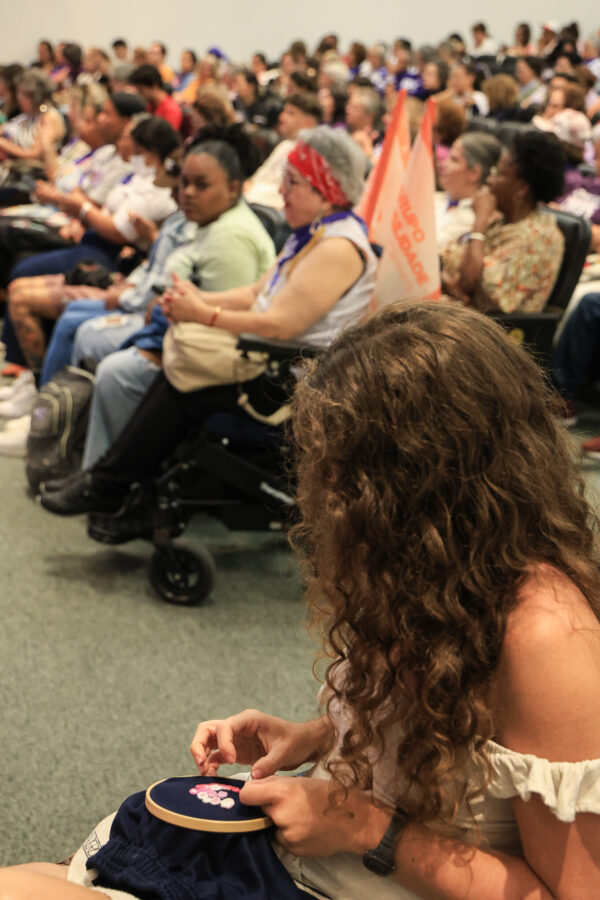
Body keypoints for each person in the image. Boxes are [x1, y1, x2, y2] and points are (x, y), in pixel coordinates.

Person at [5, 301, 600, 898]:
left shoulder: (546, 638)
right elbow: (452, 743)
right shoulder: (440, 572)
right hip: (296, 861)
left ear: (423, 478)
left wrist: (366, 827)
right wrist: (317, 736)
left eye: (348, 474)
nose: (327, 492)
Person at [39, 125, 376, 516]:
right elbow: (256, 294)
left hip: (291, 380)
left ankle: (108, 485)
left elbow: (281, 325)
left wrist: (203, 314)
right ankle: (109, 481)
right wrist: (195, 299)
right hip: (271, 361)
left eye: (293, 182)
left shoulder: (338, 247)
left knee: (183, 385)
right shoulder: (313, 234)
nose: (282, 190)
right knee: (178, 367)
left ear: (327, 189)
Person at [441, 128, 565, 312]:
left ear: (522, 188)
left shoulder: (541, 237)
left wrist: (480, 222)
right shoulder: (501, 221)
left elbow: (472, 283)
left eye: (499, 173)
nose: (490, 180)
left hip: (487, 326)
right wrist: (454, 284)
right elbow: (449, 261)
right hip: (457, 312)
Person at [435, 131, 502, 250]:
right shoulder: (434, 198)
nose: (443, 164)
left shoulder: (474, 220)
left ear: (474, 173)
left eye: (454, 160)